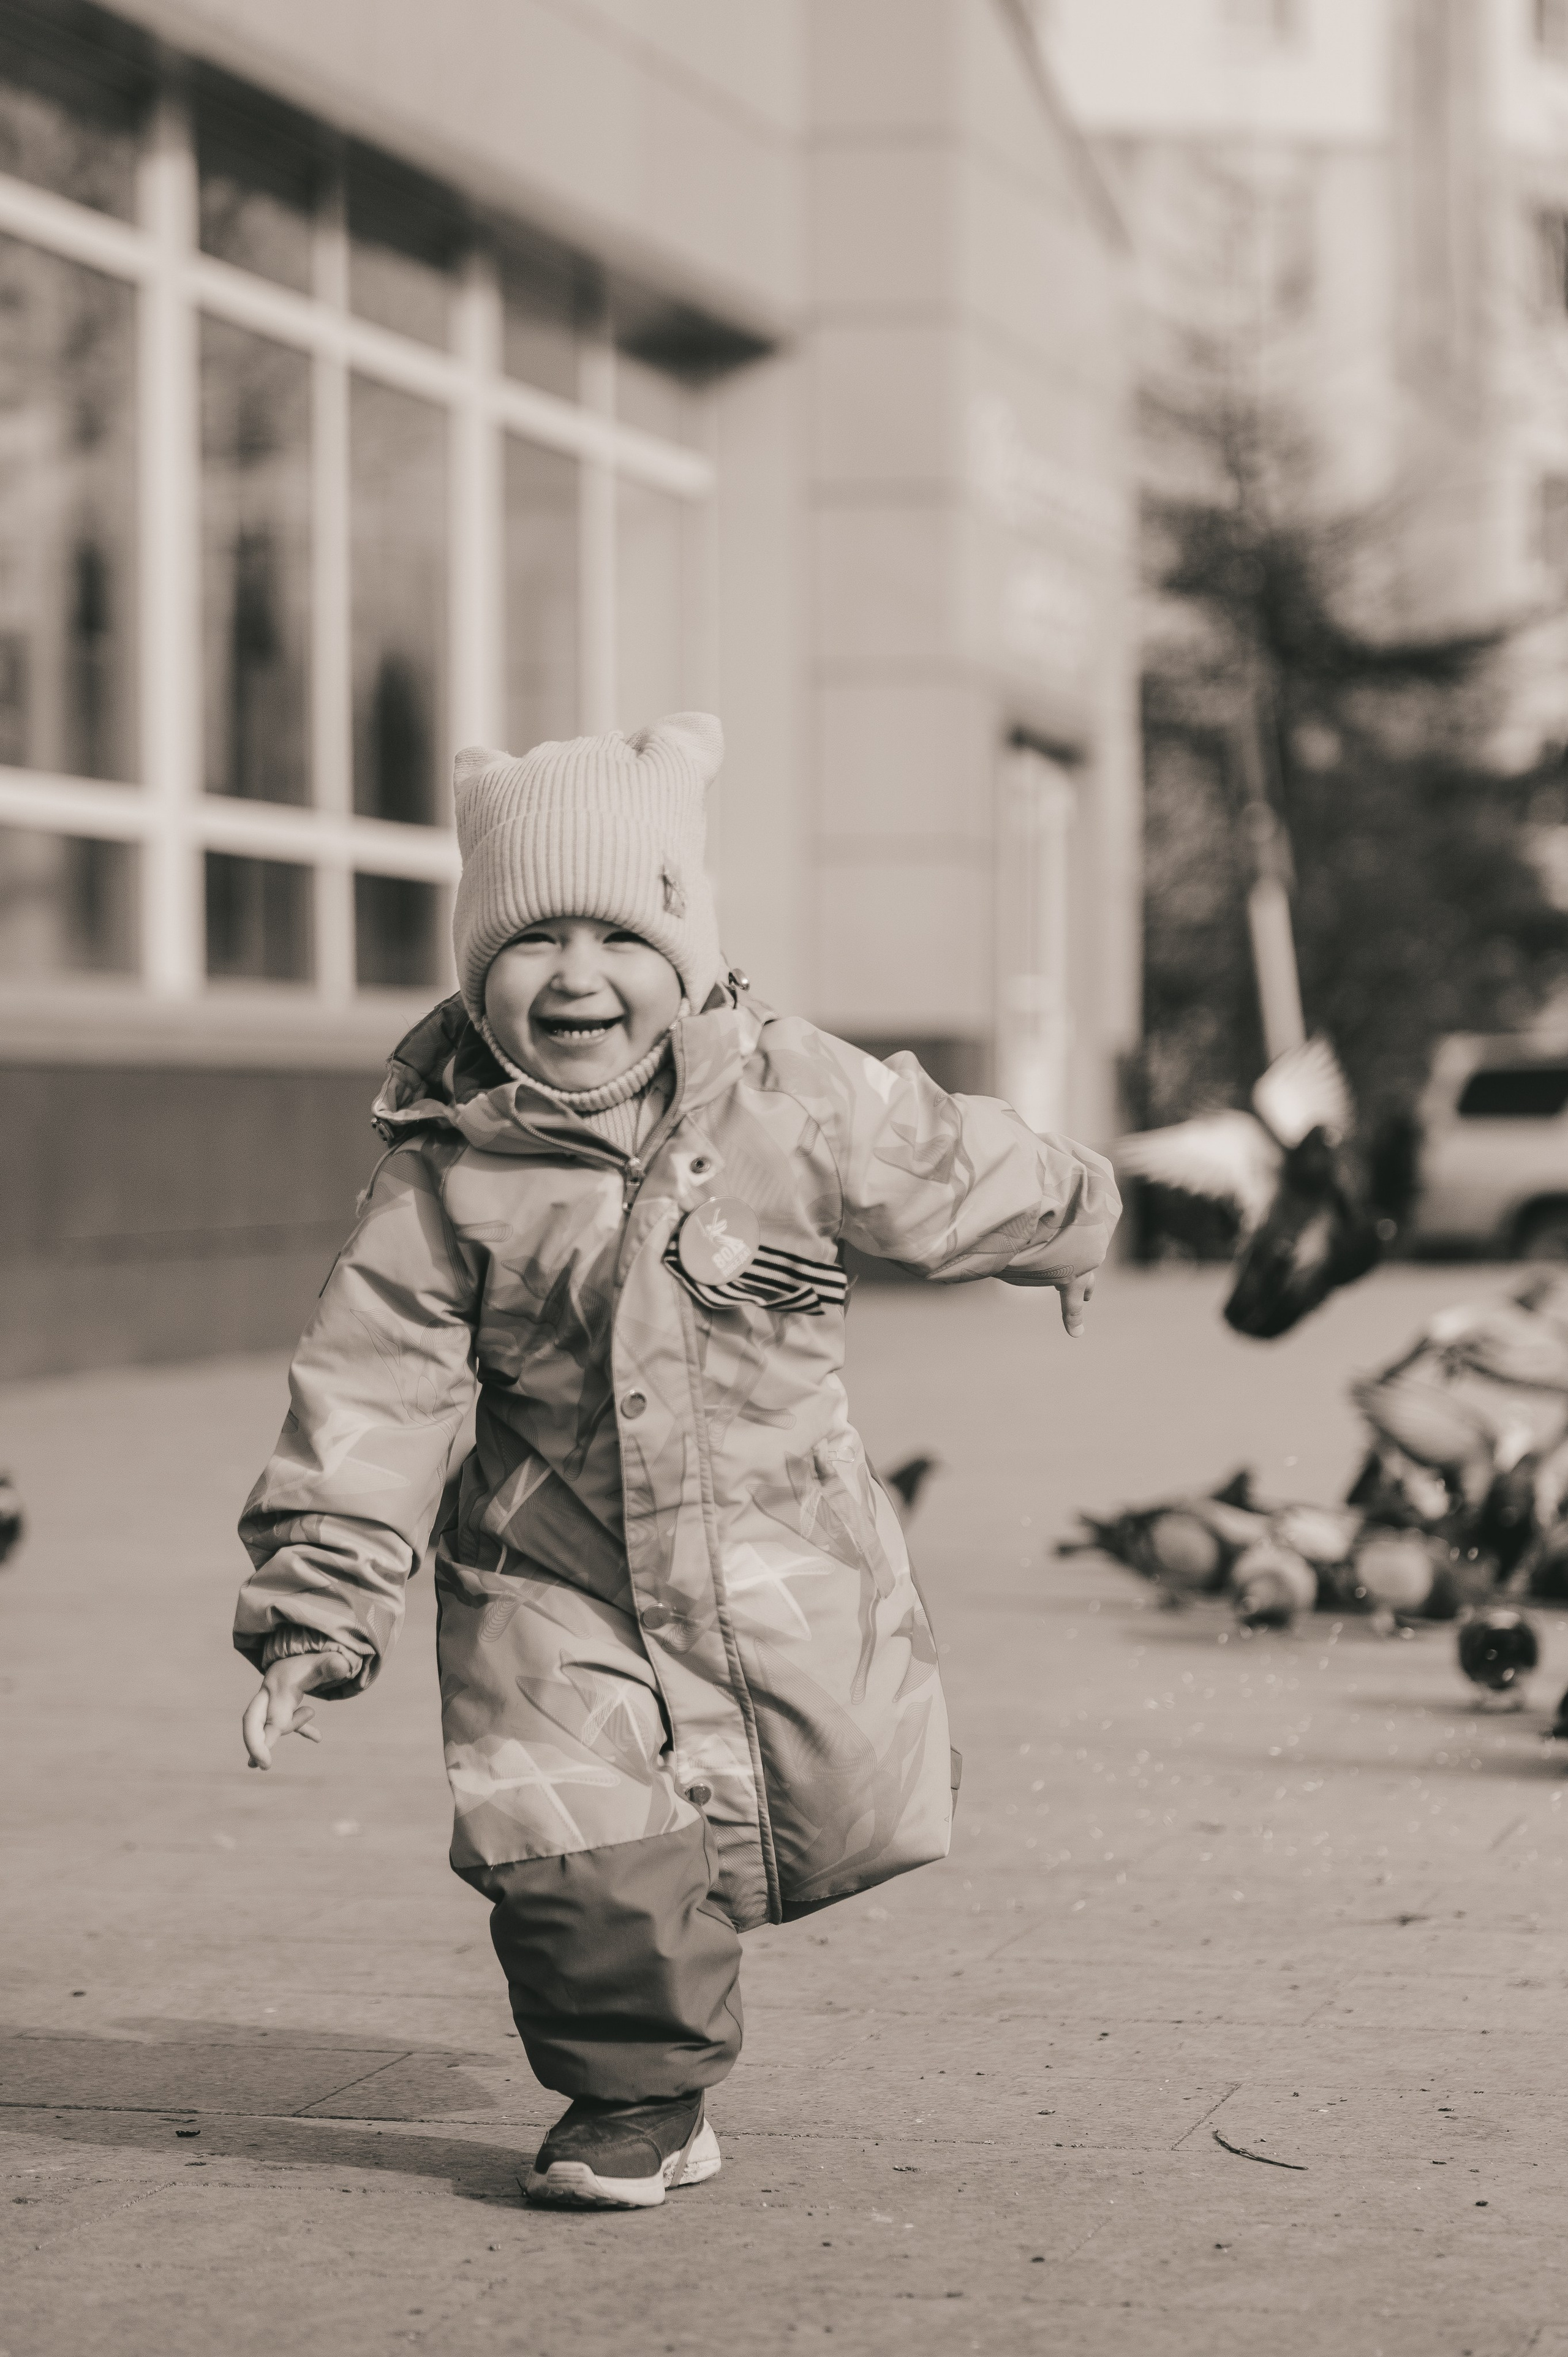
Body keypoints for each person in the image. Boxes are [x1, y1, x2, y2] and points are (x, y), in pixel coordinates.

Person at [233, 712, 1120, 2210]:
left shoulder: (789, 1094)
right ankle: (633, 2097)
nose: (576, 973)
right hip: (543, 1564)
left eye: (617, 932)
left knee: (825, 1802)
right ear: (475, 967)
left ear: (686, 949)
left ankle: (681, 1929)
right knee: (556, 1831)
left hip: (774, 1544)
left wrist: (1065, 1220)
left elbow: (937, 1157)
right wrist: (320, 1603)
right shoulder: (446, 1172)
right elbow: (371, 1386)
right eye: (531, 940)